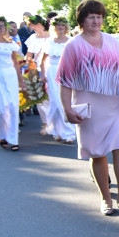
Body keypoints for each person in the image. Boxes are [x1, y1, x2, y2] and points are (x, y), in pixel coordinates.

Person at [57, 0, 119, 216]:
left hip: (115, 103)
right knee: (97, 153)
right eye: (91, 16)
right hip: (89, 106)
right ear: (82, 20)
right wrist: (67, 109)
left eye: (99, 16)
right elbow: (65, 82)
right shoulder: (72, 46)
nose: (96, 20)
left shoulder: (112, 42)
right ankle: (106, 197)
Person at [0, 17, 24, 150]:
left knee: (13, 107)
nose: (0, 28)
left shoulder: (11, 44)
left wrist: (21, 81)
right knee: (2, 109)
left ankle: (13, 140)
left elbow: (16, 63)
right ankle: (2, 135)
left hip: (10, 74)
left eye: (2, 26)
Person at [40, 16, 77, 144]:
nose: (60, 27)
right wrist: (43, 74)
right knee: (55, 103)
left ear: (66, 27)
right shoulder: (49, 42)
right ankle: (56, 130)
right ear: (54, 27)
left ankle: (69, 133)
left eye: (62, 25)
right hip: (52, 72)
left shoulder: (71, 41)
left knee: (66, 103)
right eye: (58, 25)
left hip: (67, 71)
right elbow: (43, 60)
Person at [23, 15, 52, 135]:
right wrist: (29, 64)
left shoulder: (52, 36)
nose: (32, 27)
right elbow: (29, 55)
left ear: (39, 24)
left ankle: (55, 123)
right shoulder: (32, 38)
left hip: (53, 69)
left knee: (53, 98)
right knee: (40, 98)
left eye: (33, 25)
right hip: (38, 69)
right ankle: (45, 123)